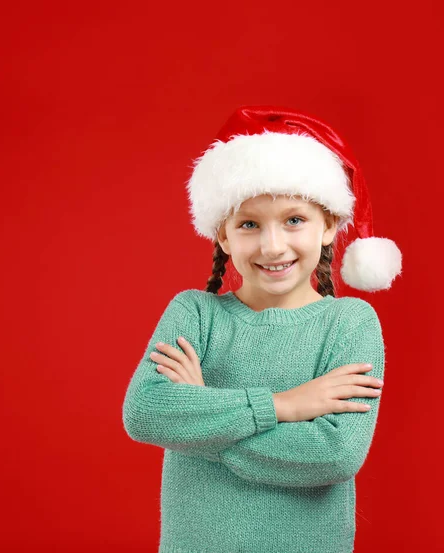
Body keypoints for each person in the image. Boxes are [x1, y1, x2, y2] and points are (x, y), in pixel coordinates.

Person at [122, 105, 403, 553]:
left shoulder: (349, 323)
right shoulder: (194, 313)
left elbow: (334, 453)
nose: (273, 246)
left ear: (329, 225)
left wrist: (203, 425)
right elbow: (145, 412)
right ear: (224, 235)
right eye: (249, 224)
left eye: (294, 219)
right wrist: (284, 405)